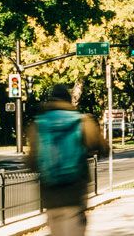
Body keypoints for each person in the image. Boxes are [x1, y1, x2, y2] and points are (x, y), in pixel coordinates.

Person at [25, 84, 108, 236]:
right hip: (75, 189)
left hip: (50, 192)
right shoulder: (81, 121)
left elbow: (31, 161)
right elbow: (103, 148)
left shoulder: (38, 124)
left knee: (56, 229)